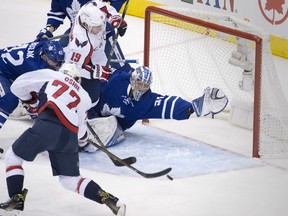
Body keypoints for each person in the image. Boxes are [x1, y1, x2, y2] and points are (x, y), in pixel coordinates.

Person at [0, 64, 126, 216]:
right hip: (69, 136)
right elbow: (80, 133)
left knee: (13, 156)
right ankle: (109, 199)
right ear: (77, 80)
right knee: (70, 180)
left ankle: (16, 199)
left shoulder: (50, 74)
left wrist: (32, 102)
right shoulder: (84, 96)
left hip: (48, 123)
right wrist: (84, 140)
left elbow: (17, 86)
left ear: (61, 72)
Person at [83, 64, 229, 151]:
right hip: (89, 111)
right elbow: (91, 82)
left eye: (146, 85)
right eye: (139, 84)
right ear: (133, 80)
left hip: (113, 127)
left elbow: (167, 104)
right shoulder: (116, 82)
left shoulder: (146, 102)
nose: (142, 88)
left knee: (107, 126)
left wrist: (194, 108)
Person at [64, 1, 127, 119]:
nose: (101, 27)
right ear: (87, 25)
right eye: (97, 26)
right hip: (81, 63)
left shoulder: (88, 9)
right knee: (90, 96)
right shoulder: (80, 43)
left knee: (99, 88)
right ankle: (81, 116)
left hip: (96, 52)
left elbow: (103, 7)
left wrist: (115, 19)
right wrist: (97, 72)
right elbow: (73, 68)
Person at [35, 0, 127, 68]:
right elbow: (56, 14)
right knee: (57, 58)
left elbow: (110, 5)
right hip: (77, 34)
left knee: (119, 69)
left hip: (102, 34)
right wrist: (48, 30)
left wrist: (111, 21)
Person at [0, 40, 64, 130]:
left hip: (5, 63)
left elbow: (43, 39)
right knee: (11, 100)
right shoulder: (36, 68)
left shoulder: (44, 44)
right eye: (53, 61)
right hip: (2, 72)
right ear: (44, 56)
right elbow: (28, 91)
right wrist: (33, 110)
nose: (57, 65)